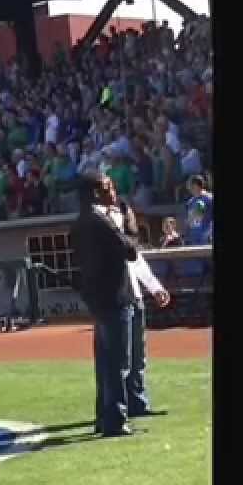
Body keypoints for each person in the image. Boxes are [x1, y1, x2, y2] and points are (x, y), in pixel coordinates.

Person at [69, 173, 141, 438]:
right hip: (115, 298)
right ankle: (115, 420)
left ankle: (103, 416)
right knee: (118, 363)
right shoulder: (102, 221)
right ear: (97, 192)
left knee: (104, 362)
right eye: (108, 187)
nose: (113, 191)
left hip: (98, 300)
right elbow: (130, 250)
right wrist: (130, 222)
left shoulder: (79, 223)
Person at [98, 181, 170, 420]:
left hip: (134, 294)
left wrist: (155, 288)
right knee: (121, 359)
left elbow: (136, 261)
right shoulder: (97, 224)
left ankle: (138, 402)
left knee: (138, 355)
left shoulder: (126, 236)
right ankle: (117, 409)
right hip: (115, 297)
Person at [183, 174, 213, 245]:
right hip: (194, 238)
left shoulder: (208, 198)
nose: (188, 187)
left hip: (207, 237)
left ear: (196, 185)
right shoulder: (190, 201)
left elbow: (198, 215)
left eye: (190, 185)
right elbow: (190, 222)